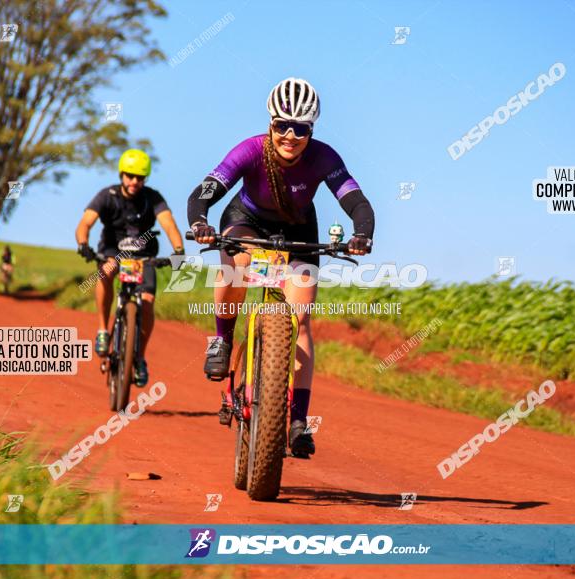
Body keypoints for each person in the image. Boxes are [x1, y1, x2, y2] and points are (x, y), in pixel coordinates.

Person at [187, 77, 375, 457]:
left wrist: (362, 233)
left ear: (312, 129)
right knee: (236, 264)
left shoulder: (324, 158)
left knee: (301, 318)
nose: (290, 135)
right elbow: (204, 192)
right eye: (282, 126)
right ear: (270, 123)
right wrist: (200, 223)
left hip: (298, 228)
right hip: (247, 220)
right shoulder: (249, 151)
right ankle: (222, 340)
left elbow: (356, 200)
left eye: (301, 128)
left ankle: (298, 420)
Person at [75, 149, 185, 387]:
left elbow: (169, 224)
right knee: (106, 271)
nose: (134, 181)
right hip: (112, 252)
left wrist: (178, 251)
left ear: (145, 179)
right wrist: (83, 243)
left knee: (147, 301)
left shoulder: (152, 198)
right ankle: (104, 330)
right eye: (130, 176)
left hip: (143, 256)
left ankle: (140, 357)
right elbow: (85, 222)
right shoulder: (107, 195)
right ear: (122, 175)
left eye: (140, 177)